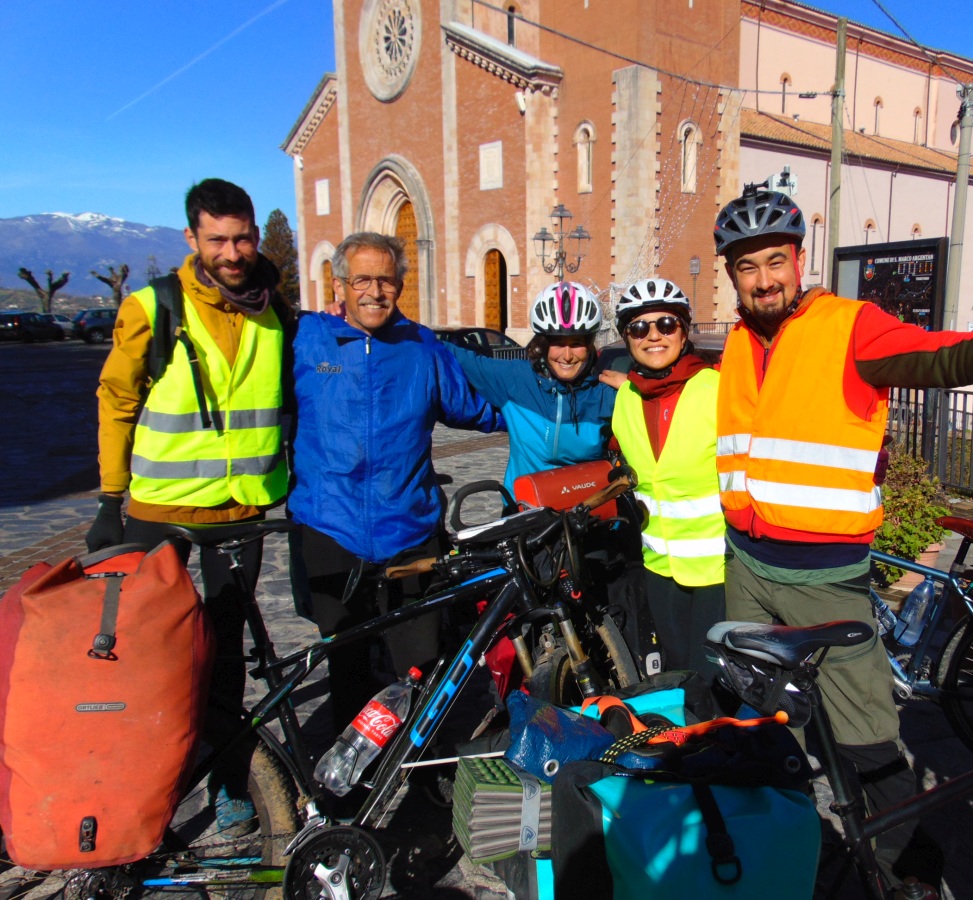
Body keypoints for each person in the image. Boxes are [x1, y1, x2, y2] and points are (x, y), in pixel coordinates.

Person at [711, 183, 973, 885]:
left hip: (824, 576)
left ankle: (904, 860)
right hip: (748, 566)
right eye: (746, 266)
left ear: (798, 261)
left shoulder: (848, 327)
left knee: (865, 736)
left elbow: (938, 356)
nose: (762, 279)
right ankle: (793, 845)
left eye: (774, 261)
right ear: (731, 275)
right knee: (770, 723)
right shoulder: (736, 341)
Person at [88, 177, 291, 837]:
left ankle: (232, 782)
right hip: (161, 513)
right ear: (192, 238)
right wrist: (109, 500)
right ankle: (147, 781)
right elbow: (115, 401)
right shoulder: (153, 307)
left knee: (227, 655)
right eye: (219, 240)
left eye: (243, 237)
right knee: (152, 656)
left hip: (241, 513)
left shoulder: (273, 308)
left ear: (256, 234)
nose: (233, 252)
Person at [287, 232, 504, 733]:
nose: (374, 291)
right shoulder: (306, 341)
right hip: (329, 528)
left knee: (420, 663)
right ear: (339, 284)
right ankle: (354, 782)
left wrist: (557, 404)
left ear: (400, 285)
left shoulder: (420, 345)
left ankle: (419, 768)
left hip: (409, 530)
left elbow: (473, 407)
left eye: (386, 280)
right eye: (362, 279)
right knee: (349, 662)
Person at [608, 278, 725, 689]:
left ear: (685, 331)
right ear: (626, 337)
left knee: (716, 683)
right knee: (678, 677)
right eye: (639, 328)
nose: (653, 335)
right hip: (659, 569)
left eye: (666, 324)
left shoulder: (716, 389)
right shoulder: (627, 398)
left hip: (718, 572)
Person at [442, 281, 614, 494]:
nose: (567, 355)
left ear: (589, 345)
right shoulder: (516, 378)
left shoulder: (607, 393)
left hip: (585, 515)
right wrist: (399, 328)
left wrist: (635, 388)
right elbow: (452, 354)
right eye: (558, 343)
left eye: (576, 343)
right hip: (525, 514)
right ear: (543, 343)